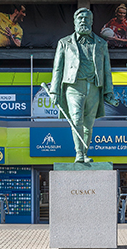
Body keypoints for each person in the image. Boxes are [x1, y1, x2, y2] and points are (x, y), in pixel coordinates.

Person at [49, 8, 118, 163]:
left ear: (92, 22)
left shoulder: (101, 43)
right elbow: (58, 68)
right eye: (80, 18)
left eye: (87, 18)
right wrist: (54, 91)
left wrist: (108, 92)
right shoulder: (64, 43)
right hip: (74, 87)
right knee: (76, 119)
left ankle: (85, 154)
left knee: (89, 124)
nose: (83, 21)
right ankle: (79, 154)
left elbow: (106, 69)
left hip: (94, 87)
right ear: (74, 21)